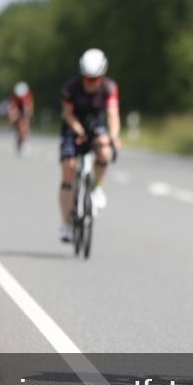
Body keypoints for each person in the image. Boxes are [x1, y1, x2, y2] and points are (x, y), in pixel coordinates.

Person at [58, 48, 120, 243]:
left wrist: (113, 137)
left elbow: (113, 115)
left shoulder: (109, 88)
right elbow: (68, 114)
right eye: (86, 78)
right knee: (69, 168)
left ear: (102, 76)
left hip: (96, 125)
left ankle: (97, 188)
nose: (90, 83)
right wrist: (78, 131)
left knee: (104, 152)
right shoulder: (71, 88)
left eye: (94, 79)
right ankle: (66, 224)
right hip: (73, 127)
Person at [9, 81, 35, 155]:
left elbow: (29, 107)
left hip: (25, 108)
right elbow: (12, 108)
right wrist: (12, 117)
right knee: (17, 123)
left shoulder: (28, 95)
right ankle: (18, 136)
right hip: (17, 108)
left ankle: (25, 140)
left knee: (25, 123)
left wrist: (28, 117)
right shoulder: (14, 96)